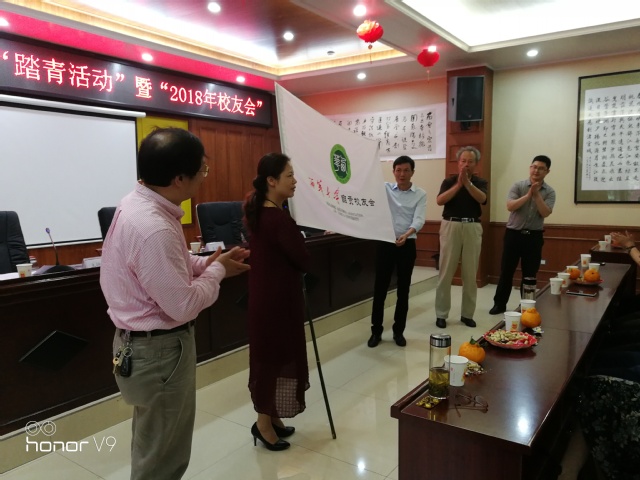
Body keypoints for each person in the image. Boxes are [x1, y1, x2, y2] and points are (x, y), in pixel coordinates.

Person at [100, 127, 250, 480]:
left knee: (153, 443)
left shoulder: (137, 203)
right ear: (179, 178)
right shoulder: (154, 228)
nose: (204, 177)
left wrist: (206, 264)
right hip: (160, 354)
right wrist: (217, 273)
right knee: (164, 458)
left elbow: (168, 264)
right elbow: (182, 304)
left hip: (141, 348)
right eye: (202, 170)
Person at [243, 153, 311, 451]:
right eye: (289, 175)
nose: (294, 181)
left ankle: (271, 416)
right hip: (276, 303)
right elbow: (303, 258)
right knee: (272, 358)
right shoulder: (277, 219)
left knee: (272, 356)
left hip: (269, 298)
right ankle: (263, 423)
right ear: (271, 181)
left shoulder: (262, 213)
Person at [368, 155, 426, 348]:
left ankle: (398, 331)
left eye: (406, 170)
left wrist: (407, 234)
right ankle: (376, 331)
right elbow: (366, 183)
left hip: (407, 244)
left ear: (412, 172)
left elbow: (419, 220)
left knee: (403, 290)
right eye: (398, 170)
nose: (402, 174)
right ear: (393, 172)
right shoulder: (384, 189)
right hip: (385, 243)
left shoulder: (420, 194)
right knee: (380, 289)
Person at [490, 155, 555, 315]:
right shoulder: (518, 186)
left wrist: (537, 195)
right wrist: (528, 195)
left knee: (530, 275)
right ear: (530, 168)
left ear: (547, 171)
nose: (536, 170)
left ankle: (527, 307)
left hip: (534, 237)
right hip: (513, 235)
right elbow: (510, 206)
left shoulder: (550, 192)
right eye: (534, 167)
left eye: (541, 168)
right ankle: (499, 304)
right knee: (506, 271)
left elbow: (545, 212)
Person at [434, 146, 488, 328]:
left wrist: (468, 184)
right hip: (451, 225)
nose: (466, 164)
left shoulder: (480, 182)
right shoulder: (449, 181)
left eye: (470, 161)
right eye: (463, 161)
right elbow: (440, 200)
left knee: (470, 274)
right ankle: (441, 314)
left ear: (476, 164)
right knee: (445, 272)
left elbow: (482, 199)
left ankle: (467, 314)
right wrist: (458, 184)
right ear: (458, 163)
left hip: (472, 226)